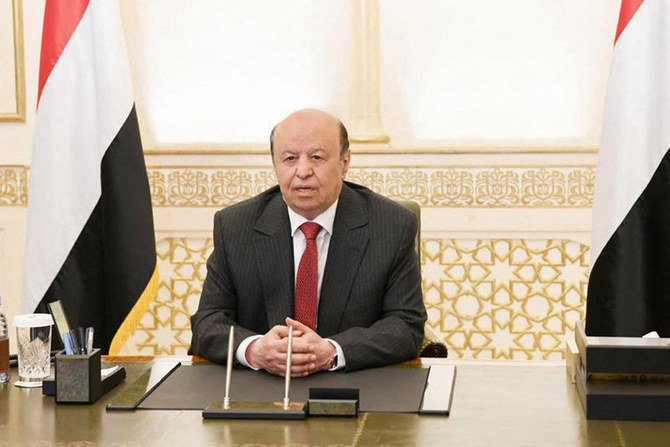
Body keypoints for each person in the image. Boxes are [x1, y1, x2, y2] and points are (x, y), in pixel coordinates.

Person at [190, 109, 426, 376]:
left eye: (317, 157)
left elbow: (406, 325)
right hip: (262, 385)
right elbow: (208, 322)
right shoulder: (235, 226)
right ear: (275, 164)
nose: (303, 171)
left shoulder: (392, 225)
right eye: (290, 158)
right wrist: (255, 350)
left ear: (344, 161)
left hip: (353, 384)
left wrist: (332, 351)